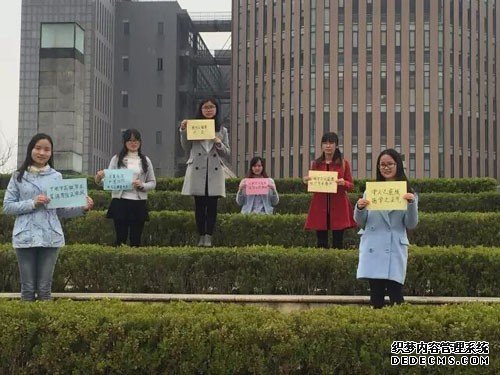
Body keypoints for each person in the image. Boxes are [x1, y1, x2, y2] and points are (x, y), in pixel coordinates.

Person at [2, 133, 94, 301]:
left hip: (50, 236)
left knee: (45, 289)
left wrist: (83, 208)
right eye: (38, 148)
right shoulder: (18, 176)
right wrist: (33, 202)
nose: (42, 153)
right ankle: (26, 326)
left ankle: (45, 325)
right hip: (25, 236)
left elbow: (60, 210)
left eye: (46, 149)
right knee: (27, 289)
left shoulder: (56, 177)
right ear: (31, 149)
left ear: (51, 153)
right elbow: (7, 207)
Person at [354, 148, 419, 309]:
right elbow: (360, 221)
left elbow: (411, 224)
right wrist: (359, 208)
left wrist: (411, 204)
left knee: (396, 293)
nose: (386, 167)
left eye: (390, 163)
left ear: (398, 165)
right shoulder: (370, 191)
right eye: (382, 164)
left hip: (394, 246)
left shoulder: (408, 193)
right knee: (376, 296)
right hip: (373, 246)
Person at [179, 98, 230, 247]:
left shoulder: (222, 130)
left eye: (211, 107)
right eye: (205, 107)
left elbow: (227, 152)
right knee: (199, 205)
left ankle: (209, 236)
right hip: (197, 169)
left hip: (214, 170)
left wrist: (218, 142)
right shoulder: (194, 126)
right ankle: (201, 235)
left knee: (212, 205)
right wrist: (183, 131)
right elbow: (186, 147)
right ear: (200, 110)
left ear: (216, 109)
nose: (208, 110)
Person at [95, 129, 156, 247]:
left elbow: (153, 183)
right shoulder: (116, 159)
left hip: (138, 202)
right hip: (120, 201)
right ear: (125, 142)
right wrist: (98, 178)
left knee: (136, 240)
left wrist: (142, 185)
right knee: (120, 239)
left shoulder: (145, 160)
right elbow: (108, 182)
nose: (133, 143)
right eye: (130, 140)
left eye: (136, 140)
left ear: (140, 142)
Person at [303, 132, 356, 248]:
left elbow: (351, 185)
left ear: (336, 145)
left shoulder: (343, 164)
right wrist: (307, 181)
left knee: (338, 242)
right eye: (325, 143)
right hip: (320, 205)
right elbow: (313, 187)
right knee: (321, 243)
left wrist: (344, 183)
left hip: (338, 206)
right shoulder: (316, 164)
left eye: (331, 143)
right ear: (321, 146)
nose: (328, 146)